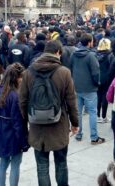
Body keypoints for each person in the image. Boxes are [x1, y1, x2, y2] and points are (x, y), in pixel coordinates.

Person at [19, 40, 79, 186]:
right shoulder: (64, 72)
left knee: (42, 166)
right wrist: (75, 123)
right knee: (61, 163)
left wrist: (26, 122)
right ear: (58, 52)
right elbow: (71, 101)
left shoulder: (28, 73)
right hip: (59, 126)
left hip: (37, 128)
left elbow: (22, 101)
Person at [0, 63, 28, 186]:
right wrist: (24, 142)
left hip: (1, 134)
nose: (23, 80)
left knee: (3, 164)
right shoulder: (14, 96)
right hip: (13, 137)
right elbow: (18, 124)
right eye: (21, 77)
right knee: (15, 164)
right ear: (16, 78)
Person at [70, 33, 105, 144]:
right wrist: (97, 83)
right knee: (92, 113)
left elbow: (70, 68)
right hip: (89, 88)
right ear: (90, 42)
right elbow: (95, 72)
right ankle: (94, 137)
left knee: (78, 113)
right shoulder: (91, 56)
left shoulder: (74, 54)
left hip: (77, 86)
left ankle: (79, 134)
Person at [96, 38, 115, 123]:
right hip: (107, 78)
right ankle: (104, 117)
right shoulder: (110, 55)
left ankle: (97, 116)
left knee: (98, 96)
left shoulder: (95, 54)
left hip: (97, 77)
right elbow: (112, 68)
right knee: (105, 97)